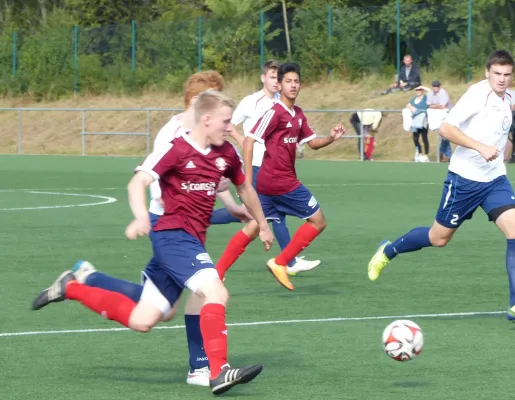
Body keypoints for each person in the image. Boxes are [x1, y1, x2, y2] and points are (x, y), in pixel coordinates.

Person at [31, 90, 274, 395]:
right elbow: (138, 181)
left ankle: (71, 287)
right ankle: (218, 371)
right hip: (172, 237)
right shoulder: (175, 149)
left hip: (188, 240)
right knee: (215, 291)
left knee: (143, 319)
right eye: (226, 122)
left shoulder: (224, 153)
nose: (230, 128)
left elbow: (245, 188)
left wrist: (261, 223)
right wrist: (140, 217)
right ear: (207, 119)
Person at [367, 50, 515, 321]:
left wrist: (508, 142)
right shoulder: (476, 95)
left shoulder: (509, 98)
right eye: (497, 74)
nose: (502, 79)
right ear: (487, 73)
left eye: (507, 75)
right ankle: (388, 250)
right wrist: (480, 146)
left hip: (494, 180)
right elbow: (446, 129)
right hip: (464, 180)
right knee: (439, 238)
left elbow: (505, 127)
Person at [215, 62, 345, 290]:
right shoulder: (274, 112)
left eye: (296, 81)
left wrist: (331, 138)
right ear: (280, 84)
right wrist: (246, 178)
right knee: (318, 220)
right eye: (288, 81)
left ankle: (218, 273)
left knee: (255, 226)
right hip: (280, 181)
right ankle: (281, 262)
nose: (293, 85)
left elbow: (312, 144)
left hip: (270, 183)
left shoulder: (298, 115)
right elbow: (249, 140)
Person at [425, 80, 452, 162]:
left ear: (439, 87)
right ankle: (445, 155)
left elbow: (443, 106)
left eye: (437, 86)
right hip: (436, 116)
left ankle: (443, 154)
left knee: (445, 136)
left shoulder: (443, 93)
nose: (435, 88)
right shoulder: (430, 93)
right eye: (434, 86)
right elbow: (429, 105)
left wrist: (435, 106)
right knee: (443, 136)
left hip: (446, 115)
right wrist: (437, 106)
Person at [403, 87, 429, 162]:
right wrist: (411, 107)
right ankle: (419, 152)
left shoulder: (425, 98)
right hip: (415, 121)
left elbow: (430, 92)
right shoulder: (414, 99)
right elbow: (408, 104)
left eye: (420, 90)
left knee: (424, 138)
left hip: (423, 120)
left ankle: (426, 154)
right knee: (415, 138)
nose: (418, 91)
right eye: (417, 90)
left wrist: (423, 87)